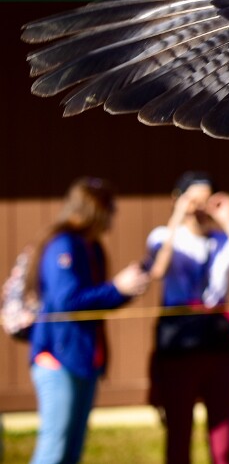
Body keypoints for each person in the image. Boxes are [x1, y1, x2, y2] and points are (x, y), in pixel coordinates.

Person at [26, 177, 150, 464]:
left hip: (85, 359)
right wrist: (116, 287)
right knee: (53, 451)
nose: (113, 217)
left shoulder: (91, 247)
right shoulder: (63, 245)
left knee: (72, 452)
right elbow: (65, 302)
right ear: (96, 209)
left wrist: (127, 289)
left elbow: (96, 303)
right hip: (57, 358)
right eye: (111, 209)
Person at [145, 172, 229, 464]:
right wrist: (177, 217)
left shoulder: (222, 240)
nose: (199, 207)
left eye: (205, 200)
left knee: (222, 433)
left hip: (218, 343)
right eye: (193, 199)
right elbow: (157, 271)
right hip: (179, 344)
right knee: (179, 431)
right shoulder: (162, 236)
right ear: (178, 198)